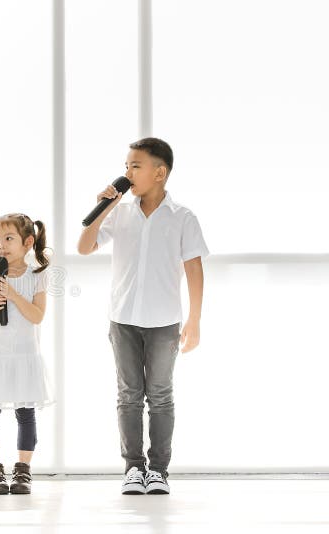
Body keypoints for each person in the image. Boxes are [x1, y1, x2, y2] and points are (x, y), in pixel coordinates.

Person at [77, 137, 208, 495]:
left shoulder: (182, 217)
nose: (128, 172)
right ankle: (133, 467)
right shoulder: (118, 212)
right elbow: (84, 247)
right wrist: (103, 207)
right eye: (126, 166)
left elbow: (194, 270)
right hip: (123, 319)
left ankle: (159, 471)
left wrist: (194, 319)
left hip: (165, 321)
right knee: (129, 395)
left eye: (135, 166)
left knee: (161, 395)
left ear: (159, 172)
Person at [0, 214, 53, 495]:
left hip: (24, 356)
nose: (0, 245)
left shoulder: (37, 275)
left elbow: (37, 316)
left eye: (8, 238)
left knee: (25, 413)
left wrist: (13, 294)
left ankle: (22, 470)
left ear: (28, 242)